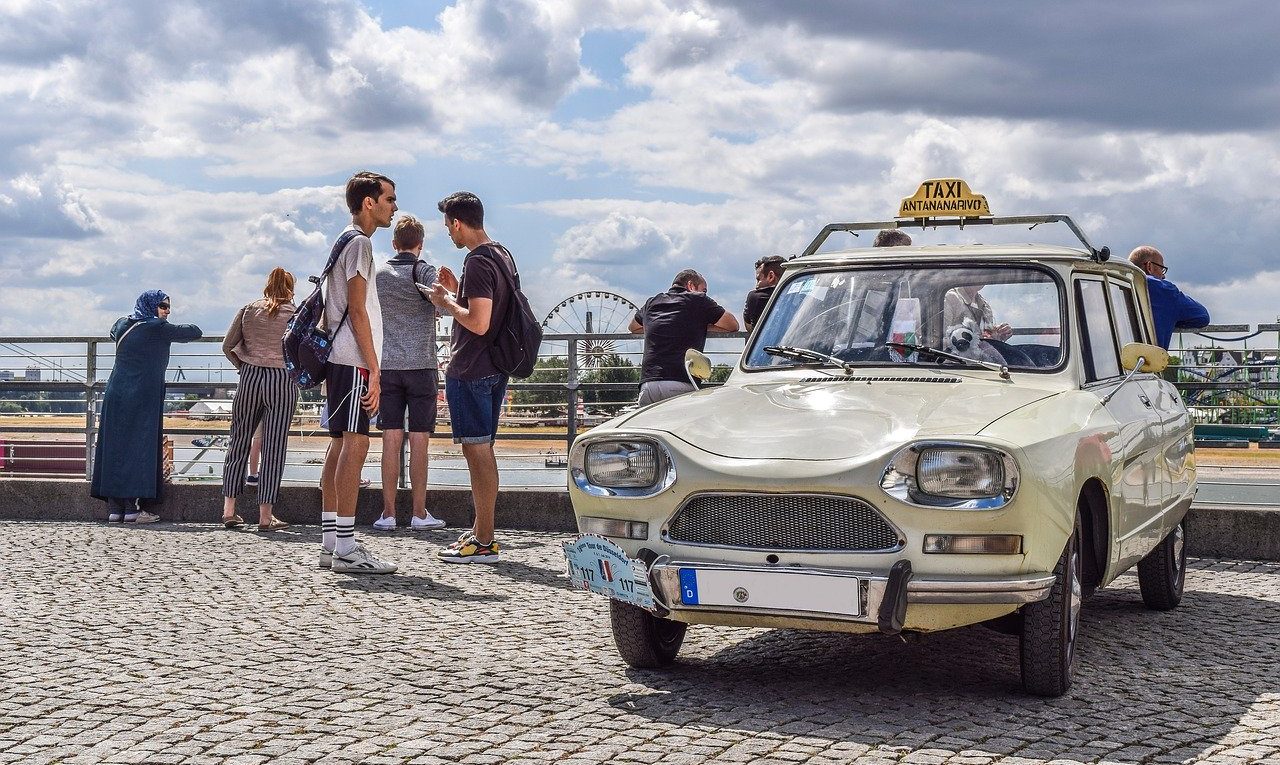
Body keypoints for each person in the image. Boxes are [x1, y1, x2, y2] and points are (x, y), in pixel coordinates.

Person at [318, 171, 398, 575]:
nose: (394, 207)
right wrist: (375, 367)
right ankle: (347, 547)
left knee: (338, 446)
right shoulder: (362, 244)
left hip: (337, 358)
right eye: (388, 199)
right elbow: (358, 308)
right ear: (369, 202)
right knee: (357, 445)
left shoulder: (342, 241)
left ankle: (331, 541)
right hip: (352, 359)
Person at [428, 191, 514, 563]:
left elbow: (478, 321)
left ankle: (483, 540)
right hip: (495, 366)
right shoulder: (501, 254)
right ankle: (482, 531)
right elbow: (489, 310)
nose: (449, 233)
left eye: (448, 226)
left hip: (472, 367)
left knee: (476, 452)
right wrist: (458, 291)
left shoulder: (477, 261)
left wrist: (444, 302)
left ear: (458, 223)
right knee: (484, 450)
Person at [90, 290, 202, 522]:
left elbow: (113, 331)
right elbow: (194, 332)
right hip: (142, 395)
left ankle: (115, 509)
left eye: (168, 306)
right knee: (138, 447)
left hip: (115, 393)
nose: (167, 311)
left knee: (115, 446)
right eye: (163, 306)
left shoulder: (122, 324)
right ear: (152, 307)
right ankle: (132, 509)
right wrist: (158, 322)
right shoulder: (156, 328)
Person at [373, 214, 446, 532]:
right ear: (420, 244)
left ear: (394, 244)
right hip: (420, 365)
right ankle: (418, 513)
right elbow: (444, 307)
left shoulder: (380, 273)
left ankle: (387, 514)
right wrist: (451, 290)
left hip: (387, 366)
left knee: (389, 440)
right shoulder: (424, 270)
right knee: (419, 441)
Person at [220, 267, 299, 532]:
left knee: (239, 440)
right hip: (282, 378)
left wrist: (243, 366)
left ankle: (229, 509)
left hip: (250, 377)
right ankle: (265, 516)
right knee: (274, 447)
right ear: (290, 288)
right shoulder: (295, 314)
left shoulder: (248, 310)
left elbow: (227, 345)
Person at [630, 269, 738, 405]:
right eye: (703, 290)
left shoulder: (652, 302)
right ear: (691, 285)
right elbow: (732, 324)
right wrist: (702, 324)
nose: (704, 293)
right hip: (681, 381)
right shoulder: (698, 299)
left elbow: (633, 327)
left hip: (648, 384)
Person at [1129, 245, 1210, 349]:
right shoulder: (1164, 290)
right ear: (1149, 266)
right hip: (1149, 362)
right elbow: (1202, 317)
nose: (1163, 276)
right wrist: (1170, 319)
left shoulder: (1115, 283)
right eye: (1162, 269)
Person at [743, 255, 784, 332]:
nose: (756, 286)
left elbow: (749, 328)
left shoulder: (755, 297)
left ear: (771, 276)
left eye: (758, 280)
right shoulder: (802, 298)